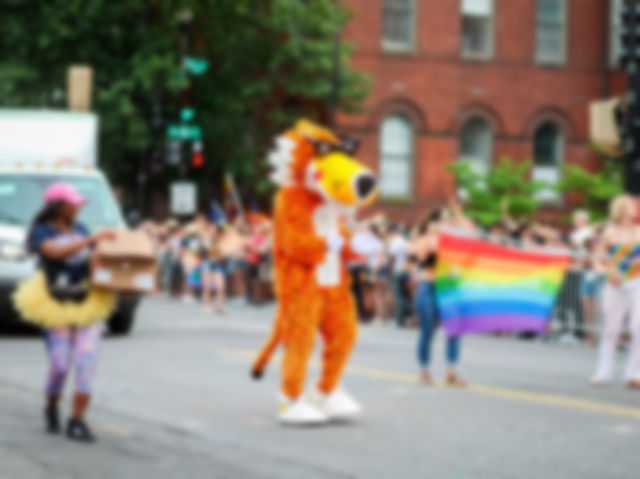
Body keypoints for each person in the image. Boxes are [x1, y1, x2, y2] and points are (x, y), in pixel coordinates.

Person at [12, 182, 116, 442]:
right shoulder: (41, 231)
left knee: (86, 360)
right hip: (54, 303)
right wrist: (91, 240)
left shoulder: (80, 229)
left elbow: (94, 262)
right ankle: (51, 407)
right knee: (59, 365)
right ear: (59, 206)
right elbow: (55, 252)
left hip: (86, 302)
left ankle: (77, 420)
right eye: (73, 203)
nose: (78, 207)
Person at [409, 208, 465, 387]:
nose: (446, 223)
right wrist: (434, 237)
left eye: (448, 220)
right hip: (430, 287)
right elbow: (420, 257)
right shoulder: (426, 239)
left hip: (449, 289)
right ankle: (424, 371)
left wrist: (459, 216)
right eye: (442, 220)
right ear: (433, 222)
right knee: (427, 332)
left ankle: (451, 372)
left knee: (454, 331)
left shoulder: (455, 241)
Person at [591, 195, 640, 389]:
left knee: (638, 328)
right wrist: (608, 273)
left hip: (637, 282)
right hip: (614, 284)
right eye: (630, 206)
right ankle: (603, 373)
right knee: (611, 329)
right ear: (620, 209)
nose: (635, 208)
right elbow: (597, 260)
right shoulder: (608, 232)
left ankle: (634, 373)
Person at [387, 224, 411, 327]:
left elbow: (392, 257)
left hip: (397, 270)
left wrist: (390, 271)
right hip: (405, 270)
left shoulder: (395, 242)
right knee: (404, 294)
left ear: (394, 232)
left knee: (399, 295)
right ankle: (405, 316)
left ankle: (400, 318)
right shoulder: (405, 242)